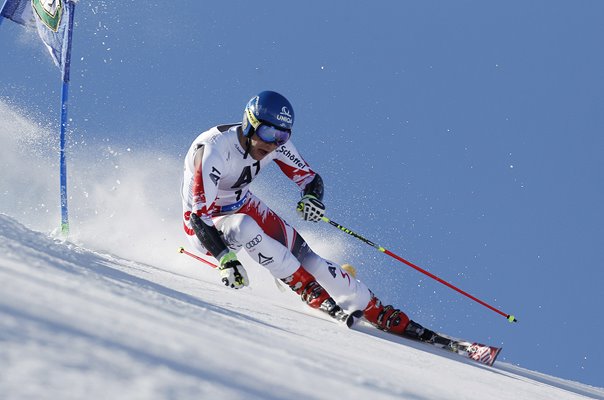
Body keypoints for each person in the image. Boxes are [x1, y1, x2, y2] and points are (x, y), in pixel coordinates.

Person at [181, 90, 435, 341]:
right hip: (204, 227)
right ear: (250, 123)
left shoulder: (276, 144)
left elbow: (310, 179)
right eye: (268, 133)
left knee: (308, 258)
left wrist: (311, 198)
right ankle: (304, 286)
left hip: (241, 203)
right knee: (245, 226)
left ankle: (373, 307)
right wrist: (226, 259)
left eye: (282, 136)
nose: (272, 144)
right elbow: (198, 216)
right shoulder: (214, 149)